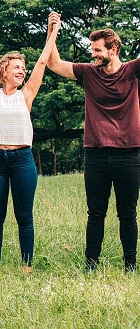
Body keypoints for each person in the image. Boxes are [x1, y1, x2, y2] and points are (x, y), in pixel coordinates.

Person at [47, 24, 140, 273]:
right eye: (93, 49)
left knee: (127, 214)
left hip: (129, 153)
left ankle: (130, 265)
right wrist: (52, 30)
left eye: (98, 50)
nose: (93, 54)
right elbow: (54, 63)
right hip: (96, 153)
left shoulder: (133, 71)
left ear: (114, 48)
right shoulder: (89, 73)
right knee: (96, 214)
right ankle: (91, 264)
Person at [0, 8, 60, 273]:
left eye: (22, 68)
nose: (22, 71)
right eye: (17, 67)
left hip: (22, 161)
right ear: (3, 71)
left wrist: (53, 32)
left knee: (24, 216)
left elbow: (41, 63)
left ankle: (27, 266)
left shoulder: (25, 95)